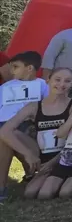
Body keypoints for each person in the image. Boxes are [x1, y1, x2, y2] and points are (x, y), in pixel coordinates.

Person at [0, 67, 72, 199]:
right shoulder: (34, 106)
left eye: (67, 81)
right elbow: (5, 130)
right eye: (57, 80)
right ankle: (1, 188)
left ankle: (58, 178)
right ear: (48, 80)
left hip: (62, 156)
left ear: (71, 84)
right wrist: (28, 154)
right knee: (5, 137)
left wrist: (52, 162)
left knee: (39, 194)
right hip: (39, 154)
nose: (61, 84)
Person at [0, 51, 49, 200]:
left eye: (15, 66)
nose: (11, 70)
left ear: (29, 68)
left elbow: (46, 107)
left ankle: (25, 174)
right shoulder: (6, 86)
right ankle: (2, 186)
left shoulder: (41, 84)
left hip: (27, 125)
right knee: (4, 136)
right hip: (4, 125)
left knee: (5, 136)